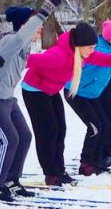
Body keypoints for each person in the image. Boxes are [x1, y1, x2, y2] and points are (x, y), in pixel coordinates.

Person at [0, 2, 53, 198]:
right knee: (9, 140)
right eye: (36, 25)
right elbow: (19, 38)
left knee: (24, 136)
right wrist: (44, 12)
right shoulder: (10, 41)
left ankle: (11, 180)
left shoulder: (25, 46)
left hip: (6, 98)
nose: (40, 29)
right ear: (24, 26)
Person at [22, 22, 94, 185]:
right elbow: (26, 60)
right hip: (34, 90)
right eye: (90, 47)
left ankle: (59, 170)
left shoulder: (80, 55)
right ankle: (51, 173)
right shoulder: (58, 56)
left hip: (51, 90)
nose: (92, 51)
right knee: (48, 131)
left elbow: (102, 58)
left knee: (60, 128)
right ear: (79, 45)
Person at [68, 20, 111, 174]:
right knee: (95, 127)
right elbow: (107, 57)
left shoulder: (108, 47)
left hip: (92, 93)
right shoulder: (97, 47)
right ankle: (86, 163)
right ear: (110, 37)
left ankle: (98, 159)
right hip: (76, 92)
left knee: (104, 124)